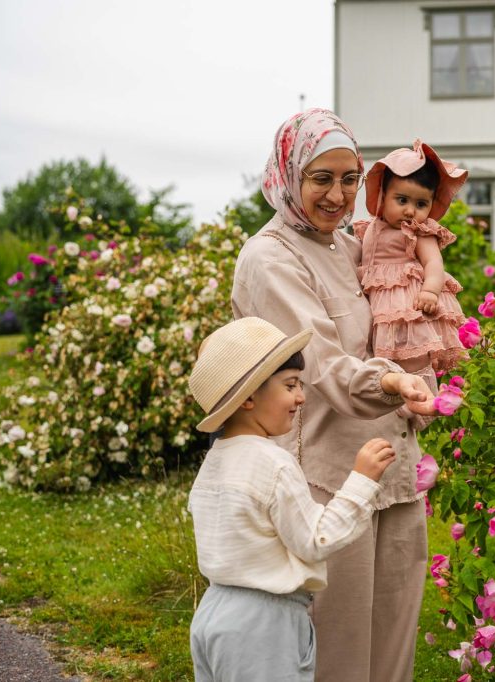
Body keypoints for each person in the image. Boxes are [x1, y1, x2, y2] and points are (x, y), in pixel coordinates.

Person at [231, 109, 434, 682]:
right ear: (289, 174)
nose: (338, 194)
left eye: (350, 178)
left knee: (394, 643)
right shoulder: (270, 257)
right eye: (321, 177)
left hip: (393, 470)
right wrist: (393, 382)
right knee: (338, 650)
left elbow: (396, 328)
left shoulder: (351, 247)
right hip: (326, 481)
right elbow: (319, 365)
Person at [187, 316, 396, 682]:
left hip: (213, 613)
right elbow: (316, 540)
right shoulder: (273, 462)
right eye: (290, 385)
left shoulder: (214, 462)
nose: (301, 397)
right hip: (264, 622)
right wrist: (361, 481)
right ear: (249, 397)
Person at [355, 139, 469, 379]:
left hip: (409, 305)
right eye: (402, 200)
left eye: (420, 204)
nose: (410, 210)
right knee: (384, 357)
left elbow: (433, 263)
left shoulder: (418, 231)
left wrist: (430, 291)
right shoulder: (371, 228)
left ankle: (420, 393)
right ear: (383, 196)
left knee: (413, 355)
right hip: (380, 306)